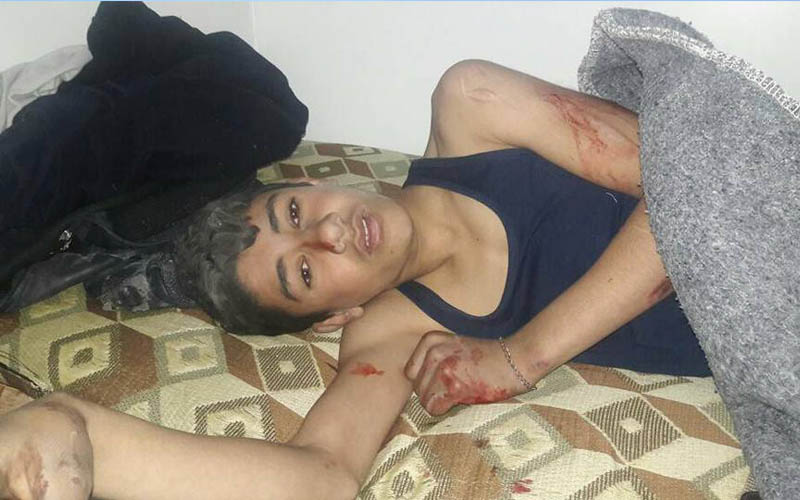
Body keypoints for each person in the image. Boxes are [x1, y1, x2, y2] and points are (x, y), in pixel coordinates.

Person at [0, 60, 708, 499]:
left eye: (295, 212)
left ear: (314, 182)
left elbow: (692, 182)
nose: (329, 233)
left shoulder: (474, 106)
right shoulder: (393, 332)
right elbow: (321, 477)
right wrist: (78, 427)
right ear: (333, 318)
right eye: (305, 272)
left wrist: (520, 356)